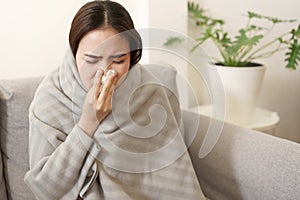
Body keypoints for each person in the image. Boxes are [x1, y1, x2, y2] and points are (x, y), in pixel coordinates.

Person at [24, 1, 206, 199]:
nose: (105, 72)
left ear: (132, 56)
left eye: (119, 60)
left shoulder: (151, 91)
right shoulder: (51, 98)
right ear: (73, 53)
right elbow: (44, 189)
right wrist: (88, 123)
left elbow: (176, 178)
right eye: (91, 60)